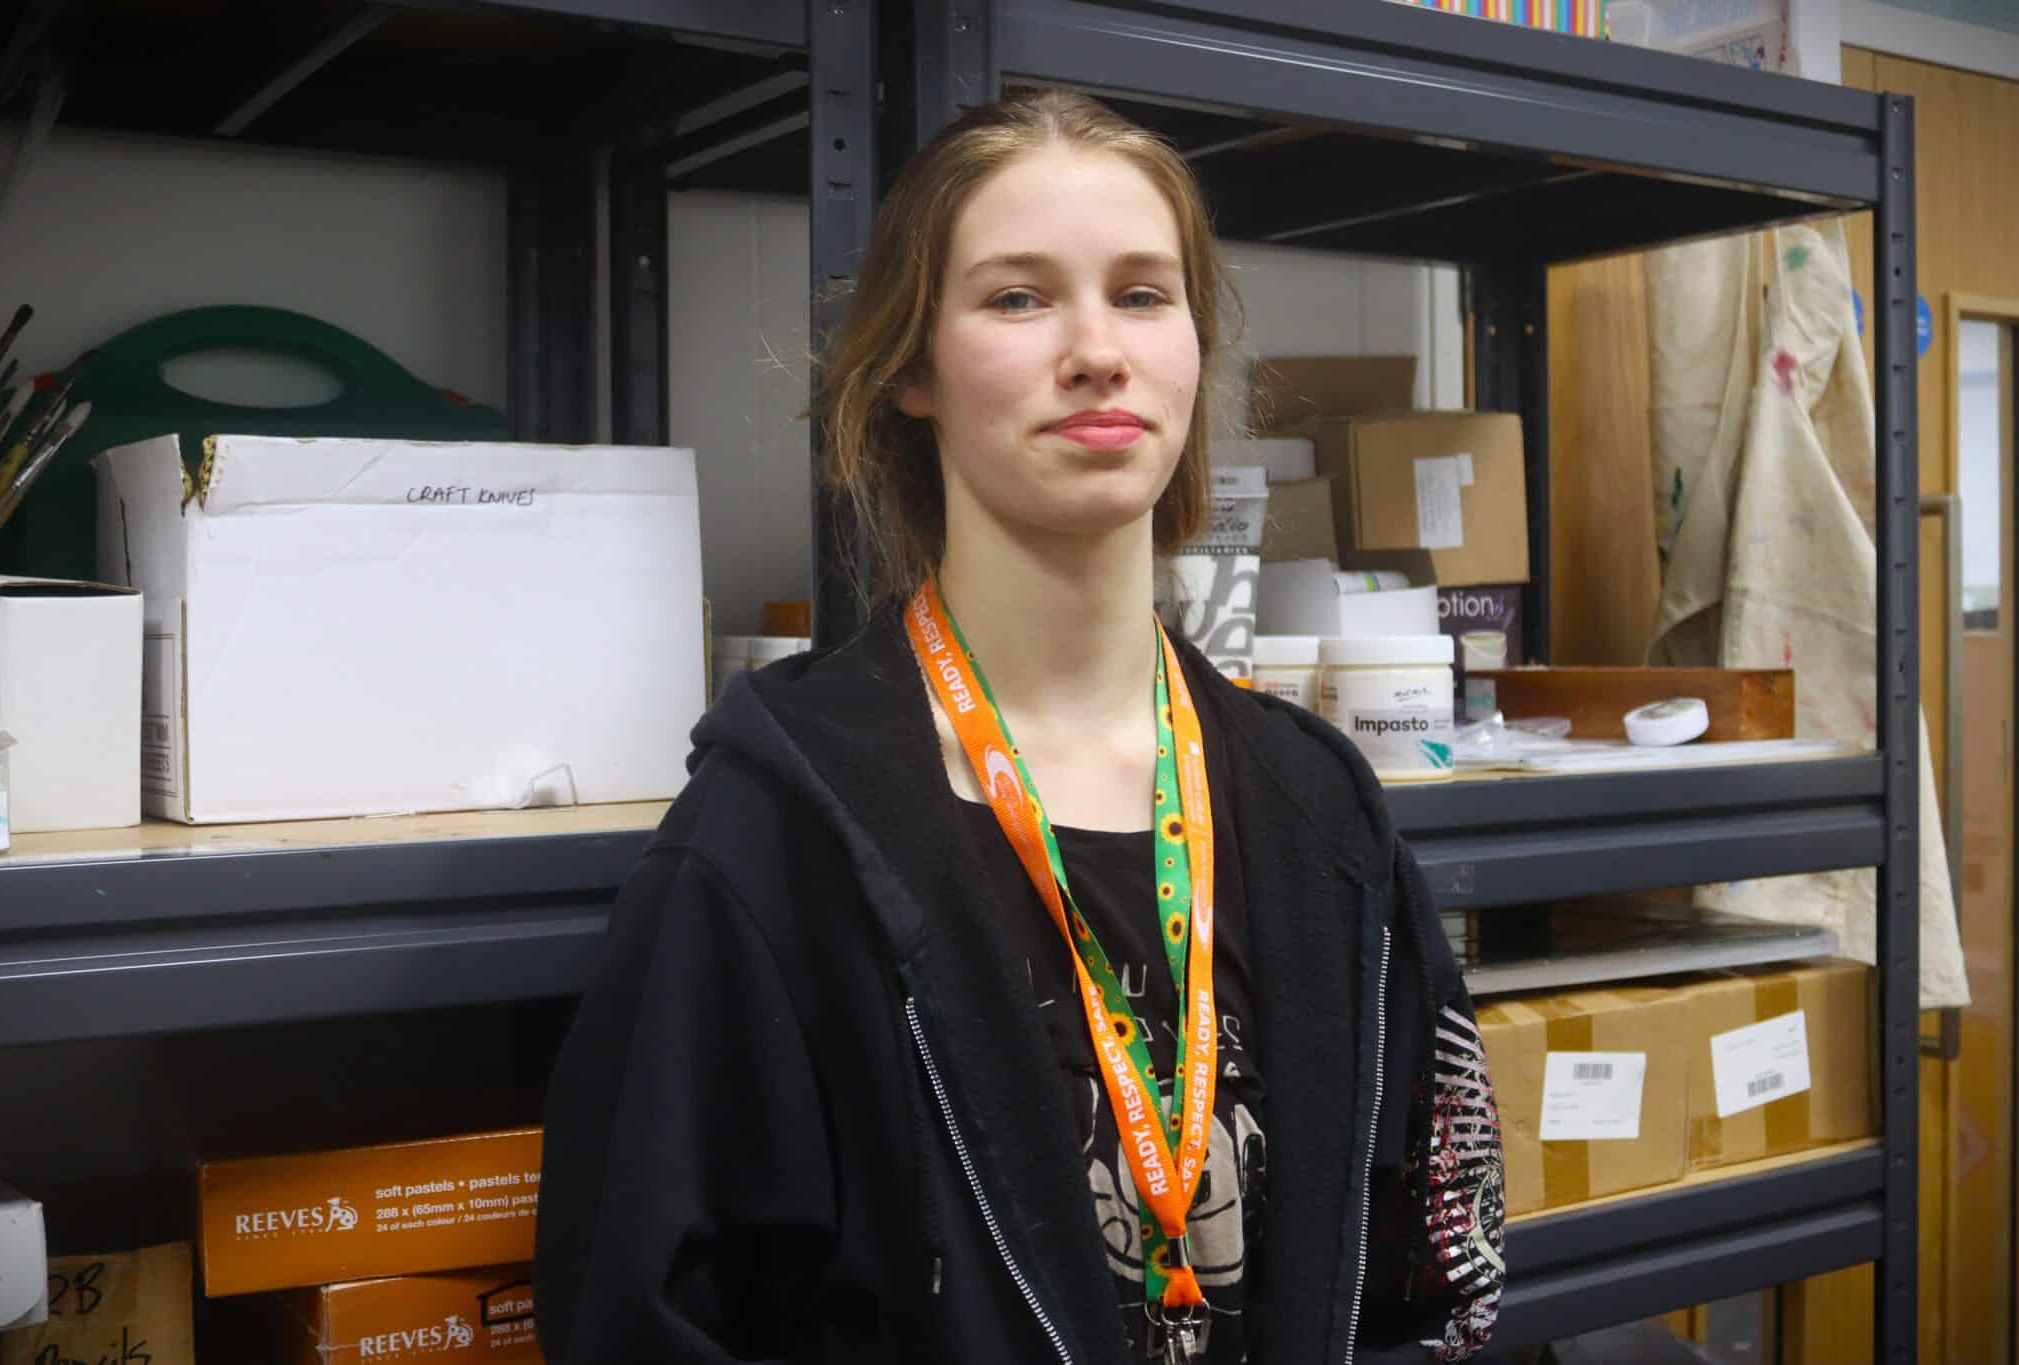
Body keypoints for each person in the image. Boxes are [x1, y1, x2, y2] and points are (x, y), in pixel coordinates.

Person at [536, 88, 1504, 1365]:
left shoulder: (1316, 806)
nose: (1096, 350)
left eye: (1143, 294)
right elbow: (637, 1319)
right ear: (909, 371)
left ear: (1194, 351)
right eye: (1016, 297)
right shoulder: (775, 838)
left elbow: (1442, 1277)